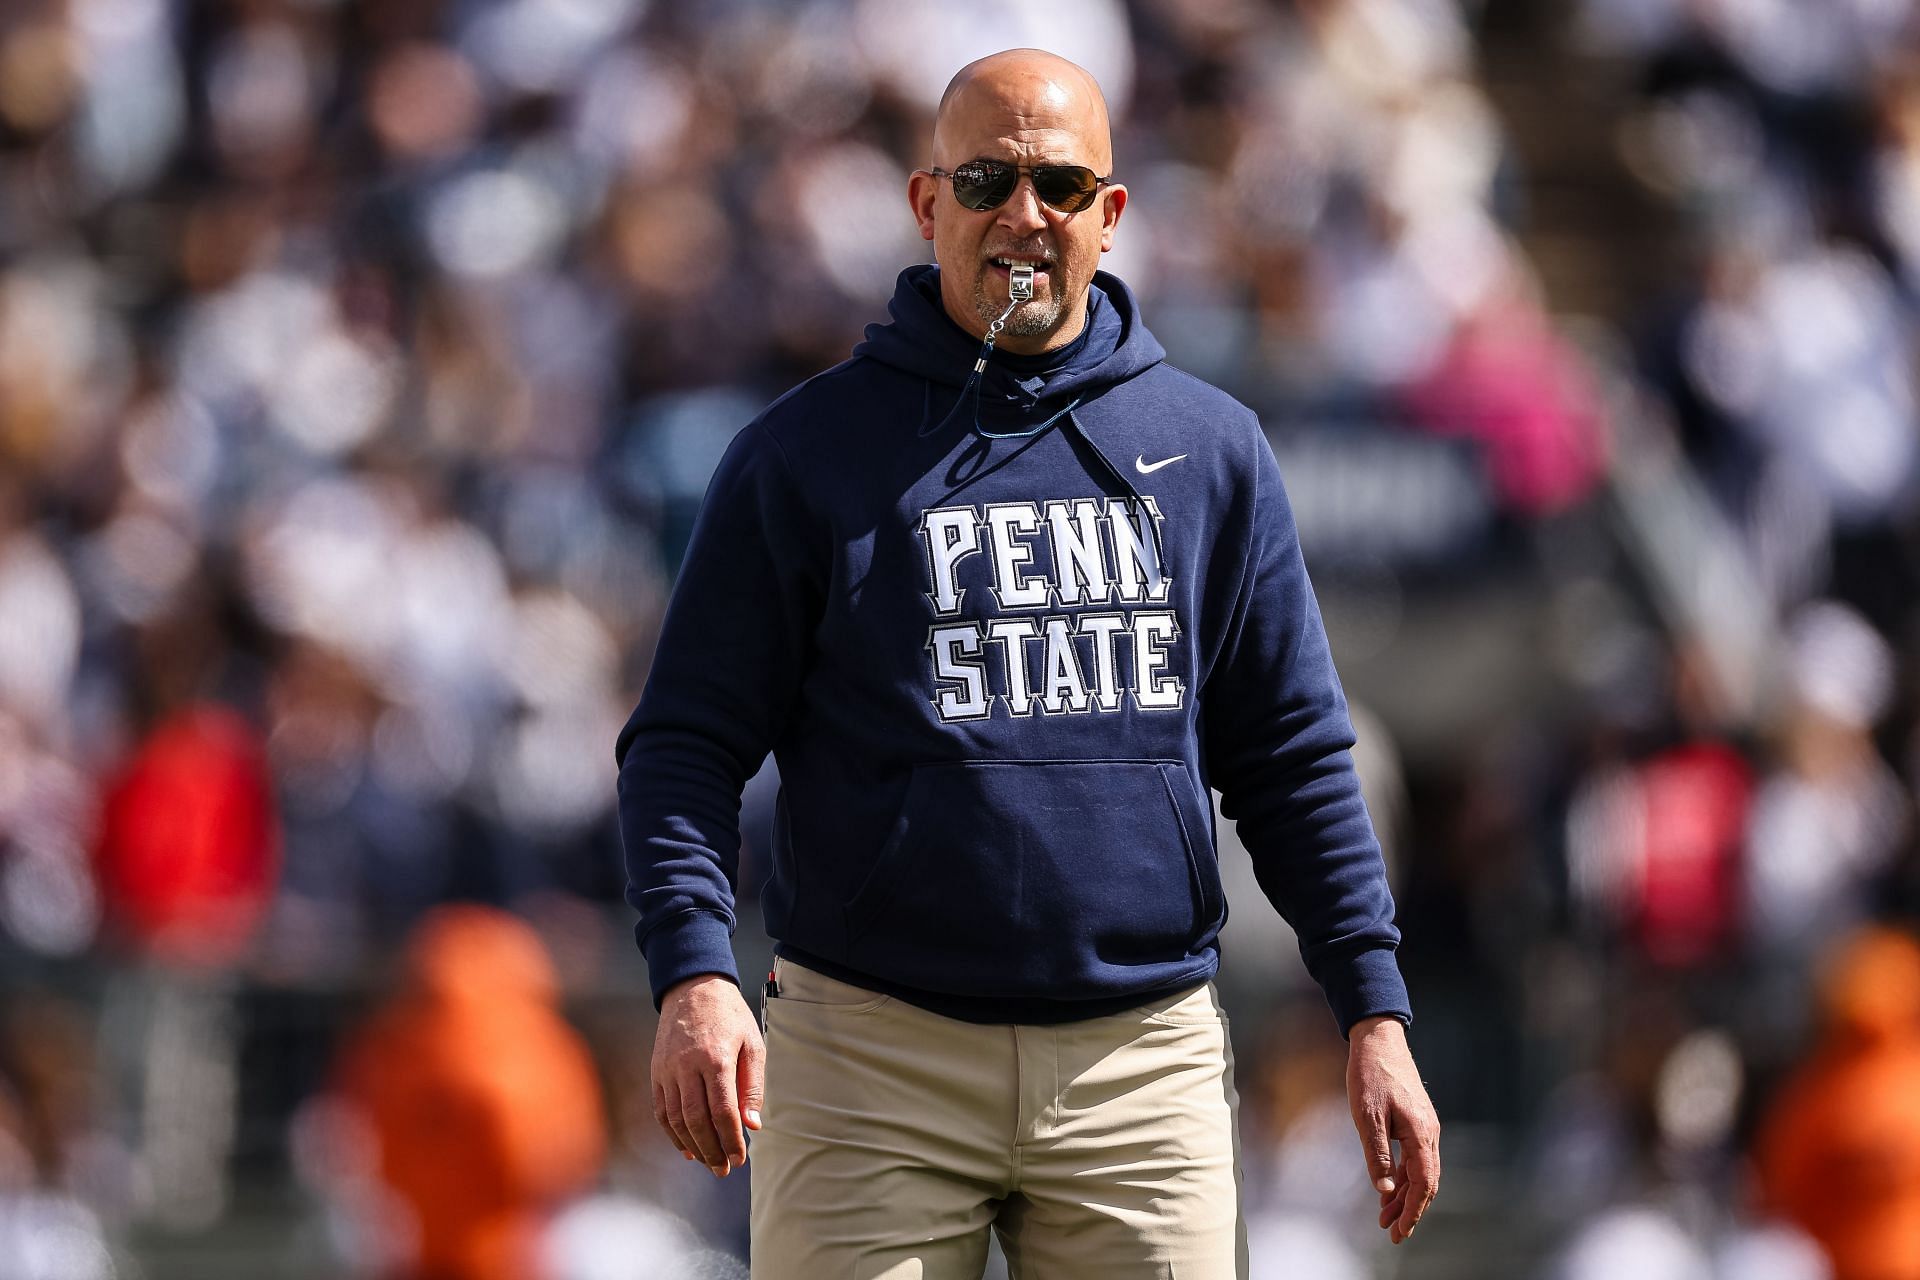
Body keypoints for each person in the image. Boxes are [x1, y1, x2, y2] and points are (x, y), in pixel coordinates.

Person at [615, 47, 1440, 1278]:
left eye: (1059, 181)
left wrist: (1374, 1008)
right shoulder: (805, 453)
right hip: (870, 1049)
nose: (1024, 212)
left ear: (1111, 214)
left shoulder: (1209, 448)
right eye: (988, 176)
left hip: (1138, 1055)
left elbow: (1293, 756)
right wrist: (693, 970)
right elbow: (684, 742)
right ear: (926, 201)